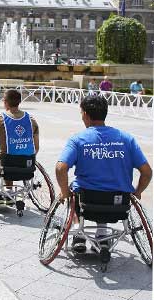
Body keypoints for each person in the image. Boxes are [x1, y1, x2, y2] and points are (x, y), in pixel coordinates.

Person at [55, 95, 152, 253]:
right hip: (119, 204)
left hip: (87, 202)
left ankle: (77, 232)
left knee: (72, 188)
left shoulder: (78, 139)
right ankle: (102, 235)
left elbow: (60, 168)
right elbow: (147, 172)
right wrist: (138, 192)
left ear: (85, 114)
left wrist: (65, 191)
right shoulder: (127, 139)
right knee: (108, 190)